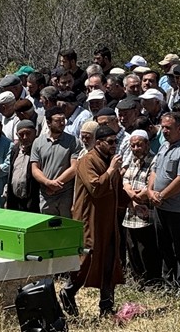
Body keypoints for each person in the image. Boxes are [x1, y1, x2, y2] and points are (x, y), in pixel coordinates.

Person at [62, 125, 125, 318]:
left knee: (109, 260)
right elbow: (95, 188)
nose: (114, 145)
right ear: (98, 143)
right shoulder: (87, 161)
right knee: (87, 260)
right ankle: (68, 292)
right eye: (110, 142)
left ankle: (106, 306)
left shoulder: (110, 161)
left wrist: (134, 203)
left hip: (108, 221)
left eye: (116, 141)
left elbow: (118, 189)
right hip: (90, 219)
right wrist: (112, 170)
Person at [149, 112, 180, 292]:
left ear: (179, 128)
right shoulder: (163, 146)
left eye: (168, 128)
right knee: (164, 246)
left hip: (178, 208)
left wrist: (161, 196)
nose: (164, 131)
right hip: (160, 207)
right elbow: (154, 170)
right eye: (162, 127)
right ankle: (168, 283)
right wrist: (150, 191)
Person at [121, 130, 158, 286]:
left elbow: (150, 185)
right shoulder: (131, 160)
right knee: (132, 247)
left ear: (147, 144)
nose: (135, 148)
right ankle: (137, 280)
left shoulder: (154, 160)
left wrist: (137, 197)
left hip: (146, 212)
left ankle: (150, 281)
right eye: (133, 145)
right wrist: (131, 194)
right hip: (130, 213)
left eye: (139, 145)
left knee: (146, 249)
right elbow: (125, 180)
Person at [4, 120, 39, 212]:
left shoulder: (39, 150)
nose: (25, 137)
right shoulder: (15, 150)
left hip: (33, 202)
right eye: (21, 134)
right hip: (15, 201)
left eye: (28, 133)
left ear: (35, 133)